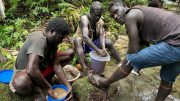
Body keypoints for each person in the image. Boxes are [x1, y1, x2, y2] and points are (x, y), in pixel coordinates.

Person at [88, 1, 180, 101]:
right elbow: (140, 44)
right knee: (167, 79)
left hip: (175, 42)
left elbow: (134, 49)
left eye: (116, 11)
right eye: (112, 16)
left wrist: (126, 63)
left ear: (125, 6)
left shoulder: (130, 15)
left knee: (130, 60)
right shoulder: (139, 12)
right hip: (175, 42)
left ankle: (105, 82)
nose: (115, 16)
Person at [9, 18, 74, 101]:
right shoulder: (39, 39)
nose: (61, 41)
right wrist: (48, 88)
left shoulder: (52, 41)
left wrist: (68, 86)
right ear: (52, 31)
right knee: (21, 82)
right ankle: (36, 89)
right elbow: (31, 70)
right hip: (25, 72)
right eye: (60, 38)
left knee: (69, 54)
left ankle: (46, 80)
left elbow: (56, 65)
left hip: (40, 66)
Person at [73, 1, 121, 74]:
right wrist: (98, 50)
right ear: (90, 12)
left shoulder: (100, 21)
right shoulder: (84, 20)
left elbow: (102, 35)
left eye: (99, 15)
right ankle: (84, 66)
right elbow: (85, 37)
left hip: (92, 43)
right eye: (96, 15)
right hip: (83, 45)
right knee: (77, 40)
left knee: (108, 42)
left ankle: (120, 61)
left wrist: (104, 48)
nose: (98, 17)